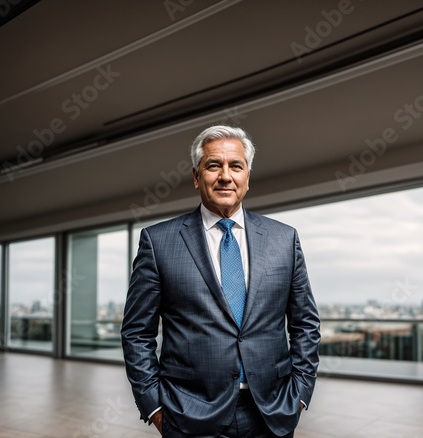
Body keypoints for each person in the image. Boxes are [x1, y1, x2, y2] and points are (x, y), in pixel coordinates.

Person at [121, 125, 320, 437]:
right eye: (214, 165)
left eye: (236, 166)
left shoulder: (284, 239)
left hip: (272, 412)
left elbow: (305, 324)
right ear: (197, 177)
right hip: (188, 414)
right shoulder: (158, 242)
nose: (225, 176)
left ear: (247, 177)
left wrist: (301, 395)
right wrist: (155, 407)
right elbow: (136, 332)